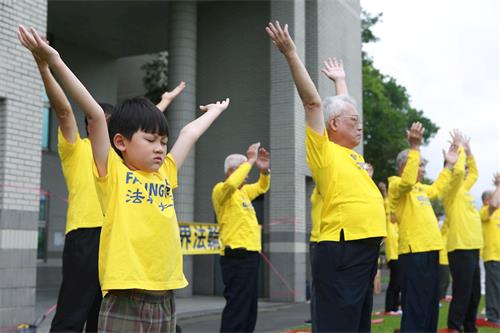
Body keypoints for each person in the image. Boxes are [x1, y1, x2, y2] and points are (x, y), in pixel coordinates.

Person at [18, 25, 230, 333]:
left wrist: (215, 110)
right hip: (124, 293)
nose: (160, 148)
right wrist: (54, 61)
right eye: (151, 141)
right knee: (75, 313)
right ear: (119, 142)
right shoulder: (112, 172)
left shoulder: (166, 171)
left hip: (164, 294)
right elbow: (89, 113)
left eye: (163, 142)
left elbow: (188, 133)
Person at [267, 21, 386, 332]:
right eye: (353, 121)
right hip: (341, 246)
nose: (360, 126)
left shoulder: (353, 155)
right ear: (334, 125)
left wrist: (341, 83)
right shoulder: (324, 152)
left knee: (358, 322)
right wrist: (291, 53)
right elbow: (313, 103)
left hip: (364, 245)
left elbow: (344, 109)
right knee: (338, 323)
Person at [388, 123, 459, 333]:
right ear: (405, 165)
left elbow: (437, 188)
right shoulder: (395, 185)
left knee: (430, 306)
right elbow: (407, 181)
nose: (422, 170)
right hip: (413, 253)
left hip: (431, 251)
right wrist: (415, 148)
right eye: (420, 165)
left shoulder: (421, 189)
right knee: (416, 307)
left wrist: (447, 167)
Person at [212, 143, 270, 333]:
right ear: (231, 170)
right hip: (236, 255)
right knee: (237, 305)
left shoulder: (243, 193)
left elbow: (262, 187)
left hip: (252, 254)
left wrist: (264, 171)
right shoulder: (221, 190)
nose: (247, 173)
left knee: (249, 306)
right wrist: (251, 160)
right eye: (243, 169)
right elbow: (231, 184)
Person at [441, 132, 483, 333]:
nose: (465, 171)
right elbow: (458, 173)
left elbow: (473, 173)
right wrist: (459, 152)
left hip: (473, 247)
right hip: (459, 248)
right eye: (462, 166)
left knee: (474, 293)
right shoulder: (450, 190)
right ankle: (454, 327)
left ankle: (470, 327)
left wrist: (469, 151)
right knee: (462, 292)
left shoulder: (464, 191)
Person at [478, 173, 500, 328]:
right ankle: (493, 316)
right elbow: (493, 205)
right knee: (493, 288)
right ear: (487, 200)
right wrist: (498, 185)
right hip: (492, 256)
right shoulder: (485, 211)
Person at [379, 182, 401, 315]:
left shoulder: (397, 227)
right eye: (392, 214)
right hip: (392, 257)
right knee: (394, 283)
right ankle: (389, 308)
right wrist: (385, 194)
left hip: (400, 256)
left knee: (399, 283)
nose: (394, 215)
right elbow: (387, 210)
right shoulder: (388, 225)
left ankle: (395, 307)